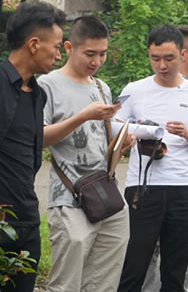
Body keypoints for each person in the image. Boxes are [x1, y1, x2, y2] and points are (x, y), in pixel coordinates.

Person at [39, 16, 134, 292]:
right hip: (69, 197)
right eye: (90, 53)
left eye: (103, 54)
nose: (97, 61)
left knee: (104, 283)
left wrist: (120, 144)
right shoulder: (47, 85)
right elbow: (38, 138)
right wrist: (82, 116)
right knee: (66, 284)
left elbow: (101, 142)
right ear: (69, 47)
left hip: (107, 195)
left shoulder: (101, 87)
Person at [116, 24, 188, 292]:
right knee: (135, 264)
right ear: (148, 54)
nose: (162, 65)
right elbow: (114, 129)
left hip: (182, 186)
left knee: (175, 268)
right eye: (155, 58)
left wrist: (187, 134)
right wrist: (132, 135)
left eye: (169, 58)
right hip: (142, 186)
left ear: (182, 54)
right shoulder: (134, 90)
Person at [0, 1, 65, 291]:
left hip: (26, 218)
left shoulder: (38, 94)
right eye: (57, 46)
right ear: (34, 44)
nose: (59, 55)